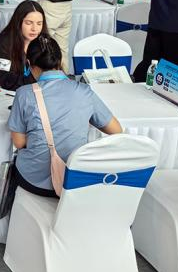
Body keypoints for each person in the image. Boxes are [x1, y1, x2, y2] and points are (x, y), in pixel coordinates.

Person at [8, 35, 123, 198]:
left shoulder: (24, 94)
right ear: (60, 60)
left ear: (29, 64)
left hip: (34, 180)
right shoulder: (84, 91)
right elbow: (116, 130)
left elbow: (19, 143)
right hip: (73, 179)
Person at [0, 0, 49, 90]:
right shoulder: (3, 43)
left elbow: (52, 73)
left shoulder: (44, 41)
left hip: (37, 92)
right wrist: (36, 78)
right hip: (7, 93)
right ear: (18, 22)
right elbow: (7, 82)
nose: (34, 29)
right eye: (29, 23)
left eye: (39, 23)